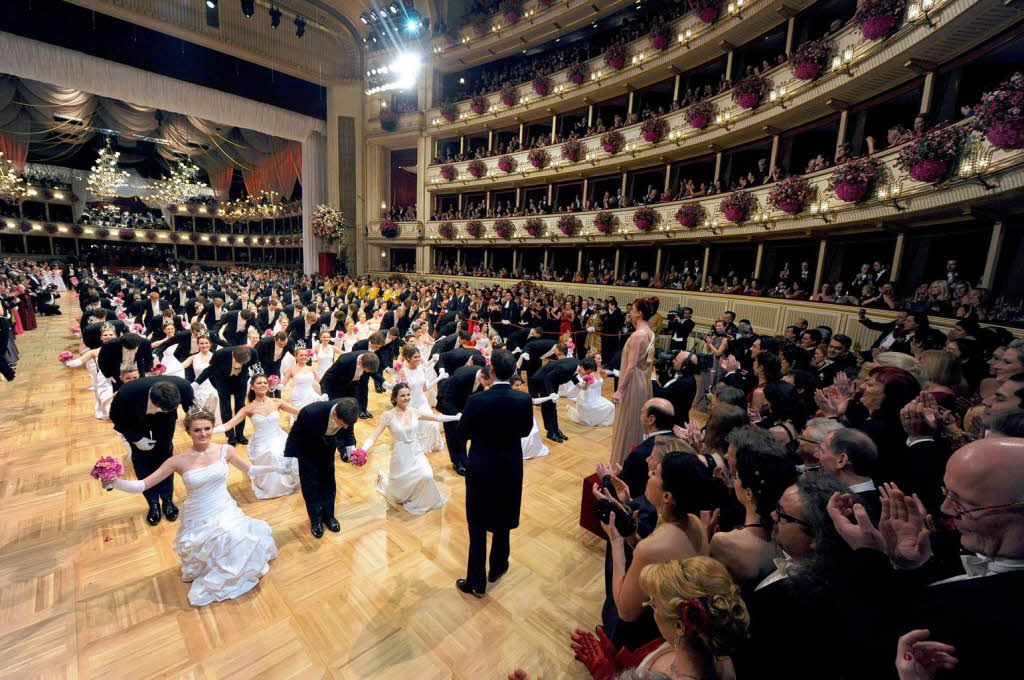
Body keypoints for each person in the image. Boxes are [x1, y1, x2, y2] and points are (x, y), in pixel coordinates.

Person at [105, 404, 281, 606]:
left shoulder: (226, 450)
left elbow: (250, 470)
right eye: (197, 430)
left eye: (207, 428)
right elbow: (143, 484)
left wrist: (276, 468)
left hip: (225, 507)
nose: (203, 433)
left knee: (233, 536)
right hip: (199, 512)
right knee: (218, 541)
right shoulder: (177, 461)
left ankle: (233, 570)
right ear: (189, 432)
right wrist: (115, 482)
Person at [456, 349, 534, 597]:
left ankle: (476, 581)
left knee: (477, 524)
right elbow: (524, 431)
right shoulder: (524, 400)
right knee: (503, 518)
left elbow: (462, 433)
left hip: (481, 466)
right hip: (510, 466)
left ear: (491, 372)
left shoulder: (476, 400)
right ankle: (498, 566)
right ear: (513, 373)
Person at [712, 427, 798, 588]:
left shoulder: (723, 541)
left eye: (736, 477)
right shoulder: (791, 532)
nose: (725, 456)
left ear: (749, 492)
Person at [109, 376, 195, 525]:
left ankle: (167, 499)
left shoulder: (184, 387)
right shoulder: (127, 393)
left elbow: (193, 411)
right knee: (142, 461)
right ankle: (153, 502)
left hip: (165, 423)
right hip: (135, 424)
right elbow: (116, 419)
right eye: (159, 408)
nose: (159, 411)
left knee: (166, 458)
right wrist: (135, 438)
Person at [361, 384, 459, 514]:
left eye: (408, 394)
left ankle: (421, 500)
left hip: (416, 451)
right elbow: (374, 435)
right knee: (402, 483)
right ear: (395, 398)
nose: (406, 398)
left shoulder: (414, 411)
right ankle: (404, 494)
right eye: (402, 395)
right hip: (400, 455)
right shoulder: (388, 416)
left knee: (427, 475)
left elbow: (436, 417)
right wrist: (363, 450)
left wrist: (456, 417)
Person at [212, 373, 302, 499]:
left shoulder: (277, 402)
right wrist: (210, 431)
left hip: (278, 437)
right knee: (271, 453)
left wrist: (320, 408)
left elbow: (299, 411)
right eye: (259, 383)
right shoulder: (248, 408)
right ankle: (273, 488)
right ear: (252, 387)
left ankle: (287, 483)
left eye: (265, 382)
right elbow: (228, 425)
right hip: (261, 442)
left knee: (277, 452)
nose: (263, 385)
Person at [283, 397, 360, 538]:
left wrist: (351, 453)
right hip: (307, 450)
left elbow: (348, 431)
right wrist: (287, 457)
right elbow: (295, 434)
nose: (344, 427)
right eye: (342, 423)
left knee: (329, 482)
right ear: (335, 414)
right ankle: (316, 520)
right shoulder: (310, 412)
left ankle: (329, 516)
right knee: (310, 485)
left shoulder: (350, 408)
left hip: (328, 448)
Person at [610, 297, 658, 465]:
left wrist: (619, 390)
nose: (629, 312)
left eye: (632, 310)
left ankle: (623, 462)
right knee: (637, 421)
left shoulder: (638, 335)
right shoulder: (650, 333)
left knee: (629, 422)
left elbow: (631, 366)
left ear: (639, 313)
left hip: (633, 383)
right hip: (643, 381)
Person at [437, 363, 494, 475]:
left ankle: (466, 460)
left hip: (464, 403)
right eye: (488, 384)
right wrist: (456, 414)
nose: (488, 386)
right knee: (453, 434)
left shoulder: (484, 375)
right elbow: (448, 398)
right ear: (482, 376)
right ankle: (457, 462)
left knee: (464, 434)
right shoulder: (461, 377)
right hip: (449, 403)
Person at [194, 345, 257, 445]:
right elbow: (209, 370)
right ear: (233, 355)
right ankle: (230, 436)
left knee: (240, 406)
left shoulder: (253, 353)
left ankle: (240, 435)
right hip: (223, 380)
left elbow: (256, 369)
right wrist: (196, 383)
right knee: (225, 407)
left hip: (240, 380)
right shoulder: (220, 354)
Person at [388, 345, 447, 453]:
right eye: (415, 357)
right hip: (409, 405)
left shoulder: (420, 368)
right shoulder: (402, 372)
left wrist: (439, 378)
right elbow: (399, 392)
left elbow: (425, 388)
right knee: (413, 428)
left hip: (422, 402)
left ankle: (429, 444)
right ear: (408, 358)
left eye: (419, 356)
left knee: (433, 424)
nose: (418, 359)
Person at [530, 344, 585, 442]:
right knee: (547, 406)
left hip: (553, 381)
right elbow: (547, 378)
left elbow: (571, 374)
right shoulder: (572, 365)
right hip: (543, 381)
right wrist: (551, 393)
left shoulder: (577, 365)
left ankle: (555, 429)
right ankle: (550, 432)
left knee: (553, 407)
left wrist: (578, 385)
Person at [319, 350, 380, 419]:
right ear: (360, 363)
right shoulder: (344, 361)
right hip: (336, 387)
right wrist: (324, 393)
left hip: (353, 387)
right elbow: (327, 378)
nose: (366, 372)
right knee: (336, 415)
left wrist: (384, 382)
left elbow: (373, 373)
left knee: (350, 414)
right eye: (366, 370)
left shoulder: (371, 358)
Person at [567, 358, 615, 427]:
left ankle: (597, 418)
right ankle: (591, 419)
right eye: (598, 359)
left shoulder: (598, 369)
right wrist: (585, 383)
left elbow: (606, 373)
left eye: (600, 358)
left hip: (596, 396)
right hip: (587, 398)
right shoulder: (587, 373)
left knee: (611, 406)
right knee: (610, 406)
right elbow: (581, 385)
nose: (600, 360)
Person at [281, 342, 327, 411]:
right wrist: (274, 385)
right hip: (298, 396)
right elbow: (282, 385)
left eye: (305, 355)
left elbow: (320, 381)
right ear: (296, 356)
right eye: (301, 355)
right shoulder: (291, 369)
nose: (304, 357)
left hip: (311, 395)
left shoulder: (311, 368)